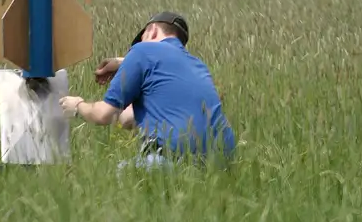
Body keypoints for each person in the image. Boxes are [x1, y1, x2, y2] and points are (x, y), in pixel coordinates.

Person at [59, 11, 235, 168]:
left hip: (171, 160)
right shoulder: (198, 65)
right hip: (221, 164)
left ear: (152, 31)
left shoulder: (143, 50)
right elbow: (126, 120)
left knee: (119, 175)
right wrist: (126, 68)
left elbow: (104, 115)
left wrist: (77, 105)